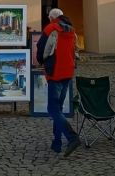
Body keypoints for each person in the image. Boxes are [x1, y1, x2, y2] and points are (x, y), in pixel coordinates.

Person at [37, 8, 80, 156]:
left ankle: (72, 137)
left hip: (55, 72)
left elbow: (41, 48)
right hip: (68, 72)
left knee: (53, 109)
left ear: (51, 18)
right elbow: (76, 49)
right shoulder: (72, 30)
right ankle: (57, 142)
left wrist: (41, 60)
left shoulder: (51, 28)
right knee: (58, 108)